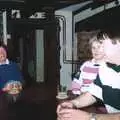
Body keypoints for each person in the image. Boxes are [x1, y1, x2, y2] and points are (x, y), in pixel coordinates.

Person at [57, 29, 120, 120]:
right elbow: (93, 94)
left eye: (103, 44)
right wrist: (73, 103)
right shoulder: (105, 69)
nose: (100, 49)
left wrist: (89, 117)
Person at [0, 44, 23, 119]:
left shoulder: (14, 65)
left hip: (17, 95)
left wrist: (19, 84)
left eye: (3, 51)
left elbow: (21, 79)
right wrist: (3, 89)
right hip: (2, 97)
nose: (2, 53)